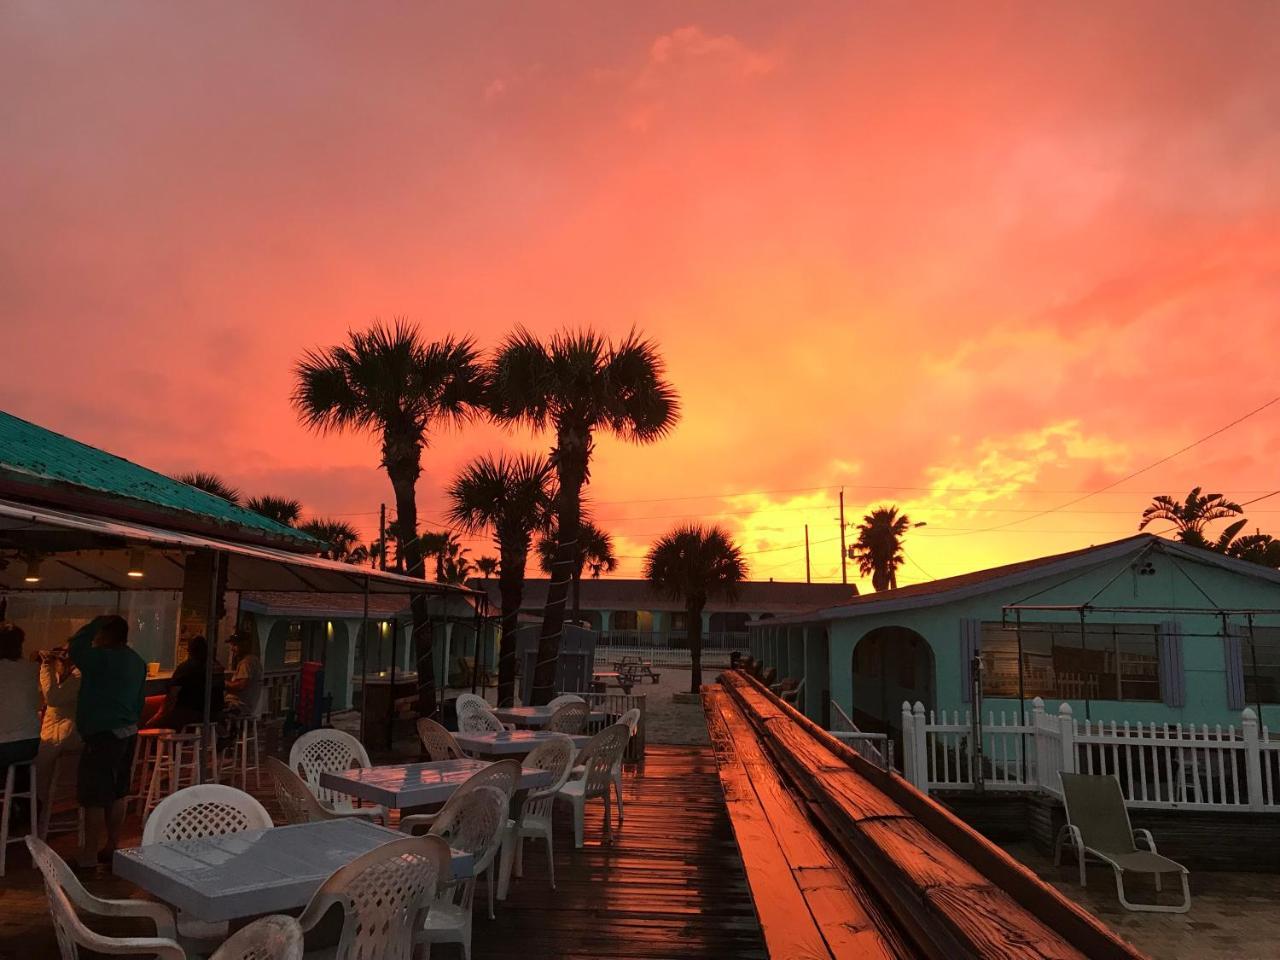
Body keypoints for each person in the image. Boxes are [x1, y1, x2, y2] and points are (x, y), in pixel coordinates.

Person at [68, 614, 146, 869]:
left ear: (106, 634)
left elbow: (75, 647)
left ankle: (89, 855)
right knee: (118, 791)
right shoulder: (137, 661)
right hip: (129, 731)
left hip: (103, 734)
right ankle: (113, 845)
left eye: (100, 633)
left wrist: (94, 622)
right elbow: (140, 700)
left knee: (94, 795)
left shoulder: (100, 658)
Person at [35, 645, 81, 826]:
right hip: (60, 732)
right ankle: (36, 806)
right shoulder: (66, 675)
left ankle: (37, 808)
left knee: (35, 765)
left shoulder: (79, 676)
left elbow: (53, 698)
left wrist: (45, 666)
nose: (60, 660)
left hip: (67, 734)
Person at [0, 623, 41, 815]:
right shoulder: (32, 669)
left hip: (5, 746)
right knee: (15, 769)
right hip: (30, 743)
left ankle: (9, 808)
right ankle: (18, 806)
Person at [145, 635, 225, 730]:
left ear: (189, 650)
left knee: (153, 725)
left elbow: (172, 695)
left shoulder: (186, 668)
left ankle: (163, 744)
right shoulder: (217, 666)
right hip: (214, 716)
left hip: (190, 715)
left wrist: (158, 716)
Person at [223, 632, 263, 718]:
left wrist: (224, 684)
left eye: (235, 645)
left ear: (245, 645)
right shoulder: (254, 660)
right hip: (247, 704)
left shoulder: (246, 663)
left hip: (238, 705)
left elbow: (241, 685)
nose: (232, 649)